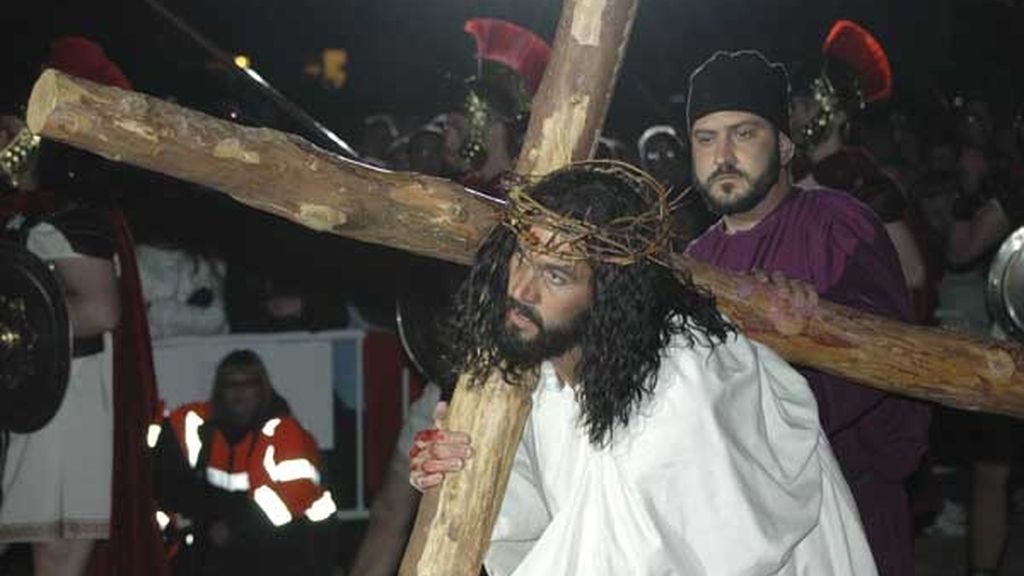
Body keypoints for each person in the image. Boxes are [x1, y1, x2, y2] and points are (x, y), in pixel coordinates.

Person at [409, 159, 878, 575]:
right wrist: (466, 463)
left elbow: (635, 557)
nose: (524, 292)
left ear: (608, 292)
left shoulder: (683, 387)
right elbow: (538, 523)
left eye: (556, 275)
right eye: (522, 259)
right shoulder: (552, 364)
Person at [683, 50, 930, 576]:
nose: (722, 154)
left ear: (786, 144)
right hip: (737, 531)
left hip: (843, 515)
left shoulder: (839, 225)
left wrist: (810, 331)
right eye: (706, 139)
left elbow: (888, 357)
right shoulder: (692, 263)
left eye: (744, 133)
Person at [0, 37, 167, 576]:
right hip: (37, 397)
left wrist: (17, 321)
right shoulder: (28, 211)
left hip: (66, 399)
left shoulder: (68, 213)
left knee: (57, 553)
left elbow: (99, 311)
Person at [151, 349, 337, 576]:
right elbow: (167, 470)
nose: (239, 392)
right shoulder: (201, 425)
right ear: (220, 391)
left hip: (287, 544)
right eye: (230, 384)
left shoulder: (285, 433)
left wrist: (231, 527)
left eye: (247, 383)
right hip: (227, 535)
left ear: (262, 389)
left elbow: (287, 506)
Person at [788, 20, 928, 317]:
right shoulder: (796, 177)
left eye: (804, 104)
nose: (794, 114)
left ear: (834, 111)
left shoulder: (860, 179)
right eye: (793, 104)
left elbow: (913, 272)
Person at [637, 124, 716, 246]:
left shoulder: (705, 197)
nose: (662, 162)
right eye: (653, 155)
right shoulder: (640, 202)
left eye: (669, 153)